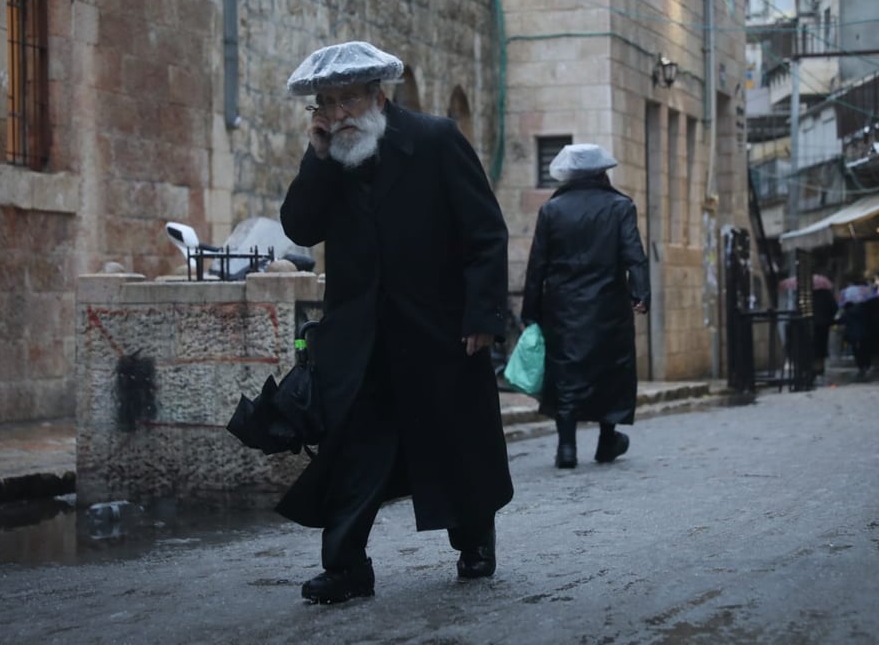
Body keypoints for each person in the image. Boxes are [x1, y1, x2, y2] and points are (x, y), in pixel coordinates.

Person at [276, 41, 514, 604]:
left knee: (455, 442)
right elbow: (299, 226)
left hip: (438, 329)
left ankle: (475, 538)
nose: (336, 115)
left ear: (377, 96)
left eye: (346, 101)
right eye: (325, 105)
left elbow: (485, 233)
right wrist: (315, 159)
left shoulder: (435, 140)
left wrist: (483, 314)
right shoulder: (331, 156)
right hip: (360, 336)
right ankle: (346, 566)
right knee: (353, 450)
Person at [520, 143, 651, 469]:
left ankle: (567, 447)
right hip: (609, 306)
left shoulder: (552, 210)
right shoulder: (620, 206)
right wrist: (640, 293)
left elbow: (538, 265)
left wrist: (530, 310)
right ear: (601, 172)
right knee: (611, 370)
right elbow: (633, 254)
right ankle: (608, 441)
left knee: (566, 373)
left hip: (562, 308)